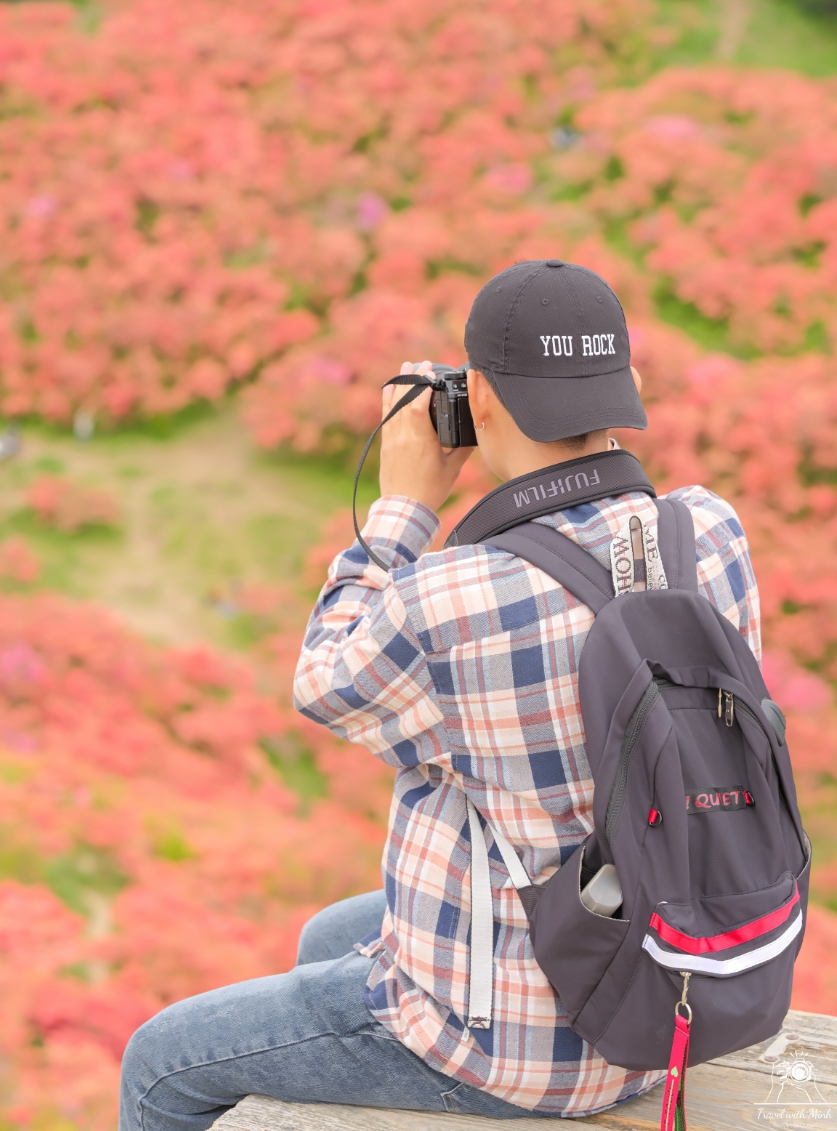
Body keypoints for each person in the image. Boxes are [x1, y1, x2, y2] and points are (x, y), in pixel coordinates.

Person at [119, 259, 761, 1129]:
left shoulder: (455, 598)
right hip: (675, 981)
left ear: (481, 401)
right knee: (327, 936)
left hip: (523, 1049)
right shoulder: (708, 530)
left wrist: (401, 508)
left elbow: (325, 684)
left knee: (160, 1065)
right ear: (627, 389)